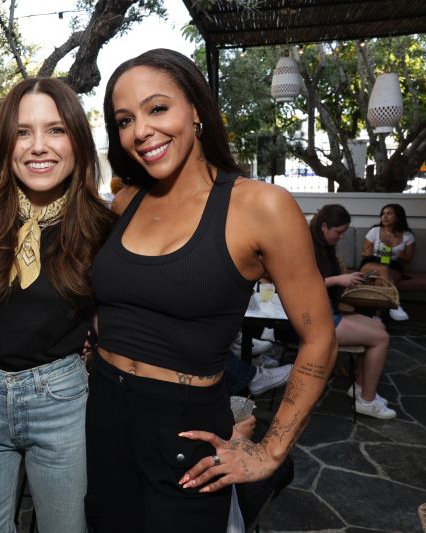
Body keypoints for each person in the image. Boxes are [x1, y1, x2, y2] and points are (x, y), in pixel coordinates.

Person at [88, 48, 337, 531]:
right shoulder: (124, 203)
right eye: (124, 120)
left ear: (197, 110)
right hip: (103, 409)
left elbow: (320, 339)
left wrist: (270, 451)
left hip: (184, 426)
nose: (140, 131)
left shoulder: (260, 206)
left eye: (157, 108)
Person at [0, 77, 115, 533]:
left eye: (55, 130)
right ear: (6, 143)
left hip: (59, 402)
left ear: (78, 140)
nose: (38, 146)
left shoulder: (104, 226)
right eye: (23, 132)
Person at [311, 204, 396, 419]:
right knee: (381, 338)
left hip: (326, 312)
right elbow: (302, 286)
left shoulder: (324, 247)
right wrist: (339, 279)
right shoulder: (306, 247)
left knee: (379, 325)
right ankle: (367, 401)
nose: (341, 237)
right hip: (312, 320)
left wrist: (348, 279)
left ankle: (359, 388)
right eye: (338, 232)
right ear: (323, 227)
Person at [359, 203, 415, 321]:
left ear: (398, 216)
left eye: (389, 213)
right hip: (371, 263)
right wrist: (368, 251)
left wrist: (400, 254)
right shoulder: (374, 231)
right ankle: (395, 304)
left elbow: (409, 258)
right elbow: (364, 252)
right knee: (383, 269)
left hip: (393, 265)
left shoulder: (407, 236)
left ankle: (377, 317)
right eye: (383, 214)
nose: (384, 216)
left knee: (381, 280)